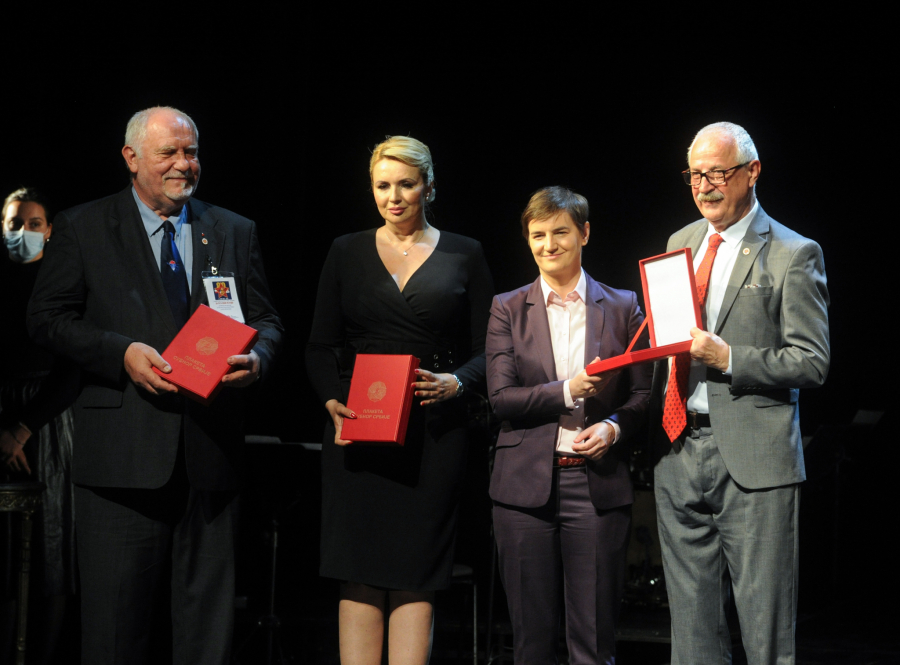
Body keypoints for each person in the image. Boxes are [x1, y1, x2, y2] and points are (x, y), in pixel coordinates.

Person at [27, 106, 284, 664]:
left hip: (210, 460)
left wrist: (258, 358)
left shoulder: (234, 230)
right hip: (121, 464)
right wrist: (120, 352)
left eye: (190, 152)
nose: (182, 165)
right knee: (116, 636)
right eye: (168, 153)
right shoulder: (84, 226)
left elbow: (266, 320)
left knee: (206, 641)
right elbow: (47, 318)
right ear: (131, 158)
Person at [305, 135, 494, 664]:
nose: (394, 197)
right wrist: (330, 401)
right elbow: (320, 347)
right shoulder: (345, 250)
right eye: (382, 185)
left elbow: (491, 352)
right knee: (358, 571)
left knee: (417, 574)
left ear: (429, 187)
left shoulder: (465, 252)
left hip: (433, 435)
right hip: (360, 430)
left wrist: (458, 381)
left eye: (406, 184)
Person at [650, 122, 830, 664]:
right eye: (695, 175)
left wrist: (729, 359)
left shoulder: (795, 253)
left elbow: (813, 361)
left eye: (717, 173)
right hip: (680, 450)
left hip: (755, 461)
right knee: (691, 630)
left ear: (752, 172)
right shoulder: (679, 242)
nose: (705, 186)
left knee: (764, 625)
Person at [485, 186, 652, 665]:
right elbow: (500, 399)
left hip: (595, 488)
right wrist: (567, 390)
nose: (548, 244)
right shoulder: (507, 307)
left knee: (594, 644)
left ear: (584, 233)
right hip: (523, 493)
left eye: (560, 232)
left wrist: (614, 428)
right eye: (537, 235)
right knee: (531, 644)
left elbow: (644, 395)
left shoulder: (622, 306)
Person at [1, 187, 77, 665]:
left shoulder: (63, 286)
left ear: (49, 229)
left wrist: (22, 429)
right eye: (14, 224)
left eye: (33, 224)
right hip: (2, 418)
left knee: (52, 554)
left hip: (47, 424)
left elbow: (72, 372)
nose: (23, 233)